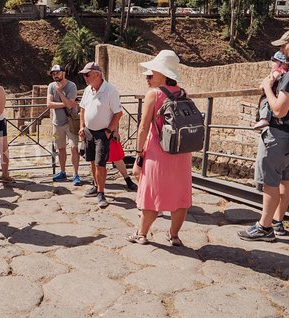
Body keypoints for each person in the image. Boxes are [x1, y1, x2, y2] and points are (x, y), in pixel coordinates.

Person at [239, 28, 289, 241]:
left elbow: (278, 109)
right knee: (285, 178)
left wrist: (267, 86)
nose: (281, 50)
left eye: (283, 45)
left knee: (270, 181)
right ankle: (277, 221)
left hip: (280, 133)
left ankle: (264, 228)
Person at [128, 50, 192, 246]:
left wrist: (138, 155)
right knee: (180, 195)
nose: (148, 77)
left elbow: (143, 128)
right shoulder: (182, 92)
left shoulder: (153, 95)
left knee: (151, 193)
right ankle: (174, 235)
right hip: (181, 152)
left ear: (162, 73)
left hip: (158, 151)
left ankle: (142, 234)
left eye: (151, 73)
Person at [78, 62, 123, 208]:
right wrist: (82, 127)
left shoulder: (110, 90)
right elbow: (83, 109)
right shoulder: (87, 90)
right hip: (89, 132)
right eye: (84, 75)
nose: (85, 77)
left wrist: (109, 131)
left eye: (87, 74)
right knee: (91, 160)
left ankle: (101, 193)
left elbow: (118, 112)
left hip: (103, 133)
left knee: (100, 163)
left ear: (97, 74)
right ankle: (96, 185)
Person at [46, 64, 82, 186]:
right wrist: (66, 103)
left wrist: (60, 93)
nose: (55, 75)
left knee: (74, 148)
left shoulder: (71, 86)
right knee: (60, 149)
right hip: (57, 123)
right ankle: (63, 171)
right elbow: (49, 104)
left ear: (63, 73)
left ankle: (76, 174)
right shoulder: (51, 86)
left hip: (70, 122)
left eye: (57, 72)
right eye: (53, 73)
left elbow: (71, 105)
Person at [253, 51, 289, 129]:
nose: (272, 63)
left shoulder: (277, 72)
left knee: (264, 101)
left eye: (274, 60)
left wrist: (263, 85)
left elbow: (266, 84)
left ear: (281, 63)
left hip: (273, 95)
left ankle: (264, 118)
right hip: (282, 96)